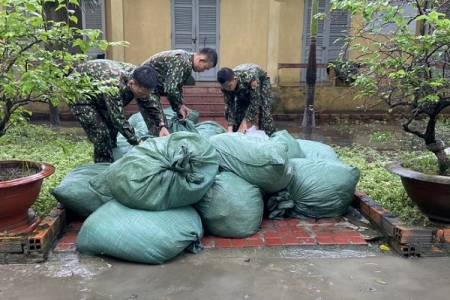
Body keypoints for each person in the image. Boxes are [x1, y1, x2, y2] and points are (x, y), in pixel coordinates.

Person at [69, 59, 169, 163]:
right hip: (79, 94)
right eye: (141, 93)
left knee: (112, 132)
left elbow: (150, 102)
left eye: (147, 93)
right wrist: (138, 142)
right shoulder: (114, 86)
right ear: (131, 83)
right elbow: (118, 119)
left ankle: (112, 156)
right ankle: (103, 167)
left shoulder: (140, 76)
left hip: (99, 91)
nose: (144, 97)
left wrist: (161, 125)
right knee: (101, 134)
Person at [141, 47, 218, 121]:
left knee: (160, 123)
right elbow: (171, 89)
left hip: (151, 87)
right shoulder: (182, 61)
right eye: (205, 68)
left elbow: (177, 87)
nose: (203, 71)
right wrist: (178, 107)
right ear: (201, 60)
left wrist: (181, 104)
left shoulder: (187, 61)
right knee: (159, 123)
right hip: (144, 86)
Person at [217, 63, 277, 136]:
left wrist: (245, 121)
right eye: (225, 87)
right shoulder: (225, 86)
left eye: (229, 86)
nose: (227, 89)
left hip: (262, 82)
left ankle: (271, 137)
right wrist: (230, 128)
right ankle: (237, 136)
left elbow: (255, 101)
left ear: (235, 79)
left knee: (265, 114)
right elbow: (230, 106)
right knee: (238, 115)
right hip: (242, 89)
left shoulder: (249, 78)